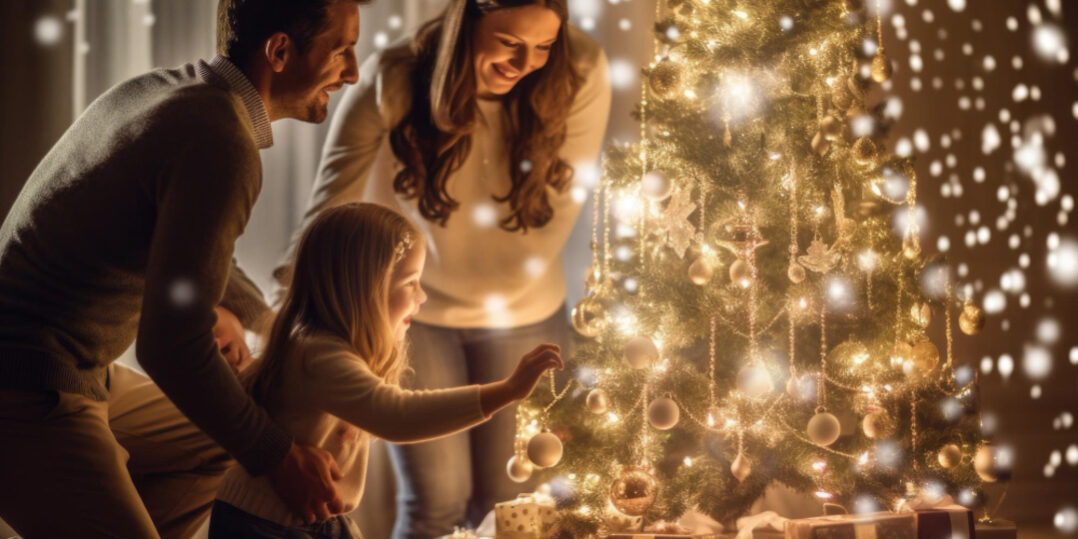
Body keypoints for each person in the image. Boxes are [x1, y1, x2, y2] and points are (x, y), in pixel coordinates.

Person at [0, 0, 367, 537]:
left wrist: (284, 334)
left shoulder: (179, 94)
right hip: (27, 385)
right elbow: (171, 346)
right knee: (250, 437)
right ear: (280, 51)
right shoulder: (221, 142)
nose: (354, 73)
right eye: (342, 50)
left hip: (74, 367)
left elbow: (196, 251)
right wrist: (278, 456)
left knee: (224, 442)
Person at [275, 0, 611, 535]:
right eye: (509, 43)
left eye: (544, 46)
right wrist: (282, 324)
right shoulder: (395, 80)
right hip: (419, 313)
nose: (527, 62)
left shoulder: (580, 70)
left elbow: (558, 213)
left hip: (526, 310)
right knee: (436, 502)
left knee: (512, 502)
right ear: (467, 21)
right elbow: (327, 213)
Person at [211, 202, 563, 539]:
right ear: (364, 288)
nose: (421, 297)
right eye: (410, 282)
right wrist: (508, 390)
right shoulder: (319, 355)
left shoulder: (330, 348)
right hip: (268, 526)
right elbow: (397, 415)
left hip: (310, 520)